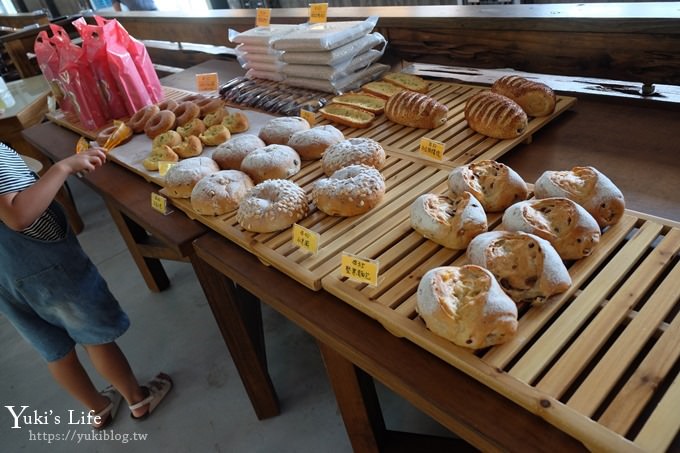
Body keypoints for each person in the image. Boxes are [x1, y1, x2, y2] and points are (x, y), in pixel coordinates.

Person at [0, 142, 171, 428]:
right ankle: (137, 398)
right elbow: (17, 215)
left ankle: (98, 408)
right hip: (42, 266)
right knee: (92, 335)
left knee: (56, 350)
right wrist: (63, 167)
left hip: (5, 278)